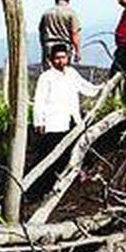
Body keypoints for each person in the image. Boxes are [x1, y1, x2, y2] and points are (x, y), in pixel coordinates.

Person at [30, 43, 101, 193]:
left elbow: (86, 87)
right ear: (51, 60)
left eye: (63, 57)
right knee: (51, 153)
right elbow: (39, 101)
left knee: (79, 145)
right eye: (57, 58)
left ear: (67, 58)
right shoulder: (46, 77)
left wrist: (102, 88)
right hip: (53, 122)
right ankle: (44, 186)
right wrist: (39, 121)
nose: (60, 61)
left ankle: (81, 174)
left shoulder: (72, 73)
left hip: (72, 119)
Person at [38, 0, 82, 67]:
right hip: (64, 47)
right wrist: (77, 52)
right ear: (68, 0)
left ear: (56, 0)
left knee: (49, 74)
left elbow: (41, 31)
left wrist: (44, 46)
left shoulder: (46, 13)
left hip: (49, 45)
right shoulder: (71, 13)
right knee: (63, 74)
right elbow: (74, 34)